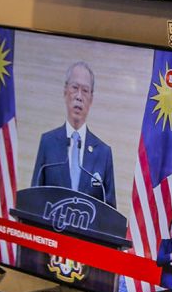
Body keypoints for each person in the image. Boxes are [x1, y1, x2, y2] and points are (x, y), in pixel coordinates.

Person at [31, 61, 116, 208]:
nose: (79, 96)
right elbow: (34, 198)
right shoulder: (48, 142)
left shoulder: (104, 153)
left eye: (85, 91)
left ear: (91, 99)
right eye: (75, 88)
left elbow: (110, 212)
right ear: (65, 92)